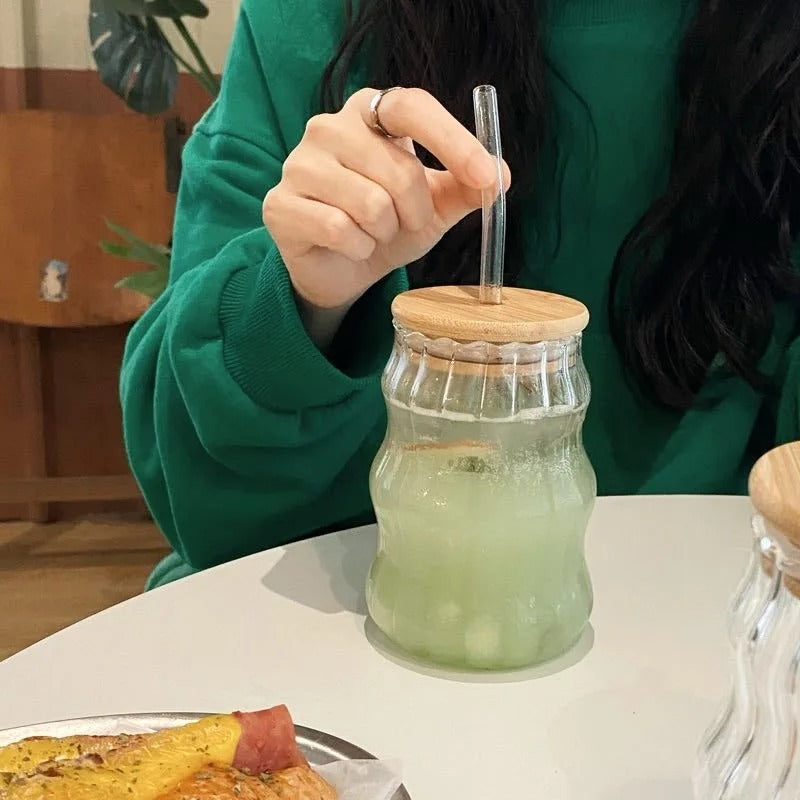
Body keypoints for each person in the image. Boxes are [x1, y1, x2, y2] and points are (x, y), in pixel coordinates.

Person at [121, 0, 800, 588]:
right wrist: (307, 300)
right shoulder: (316, 26)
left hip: (729, 638)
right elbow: (196, 494)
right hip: (333, 616)